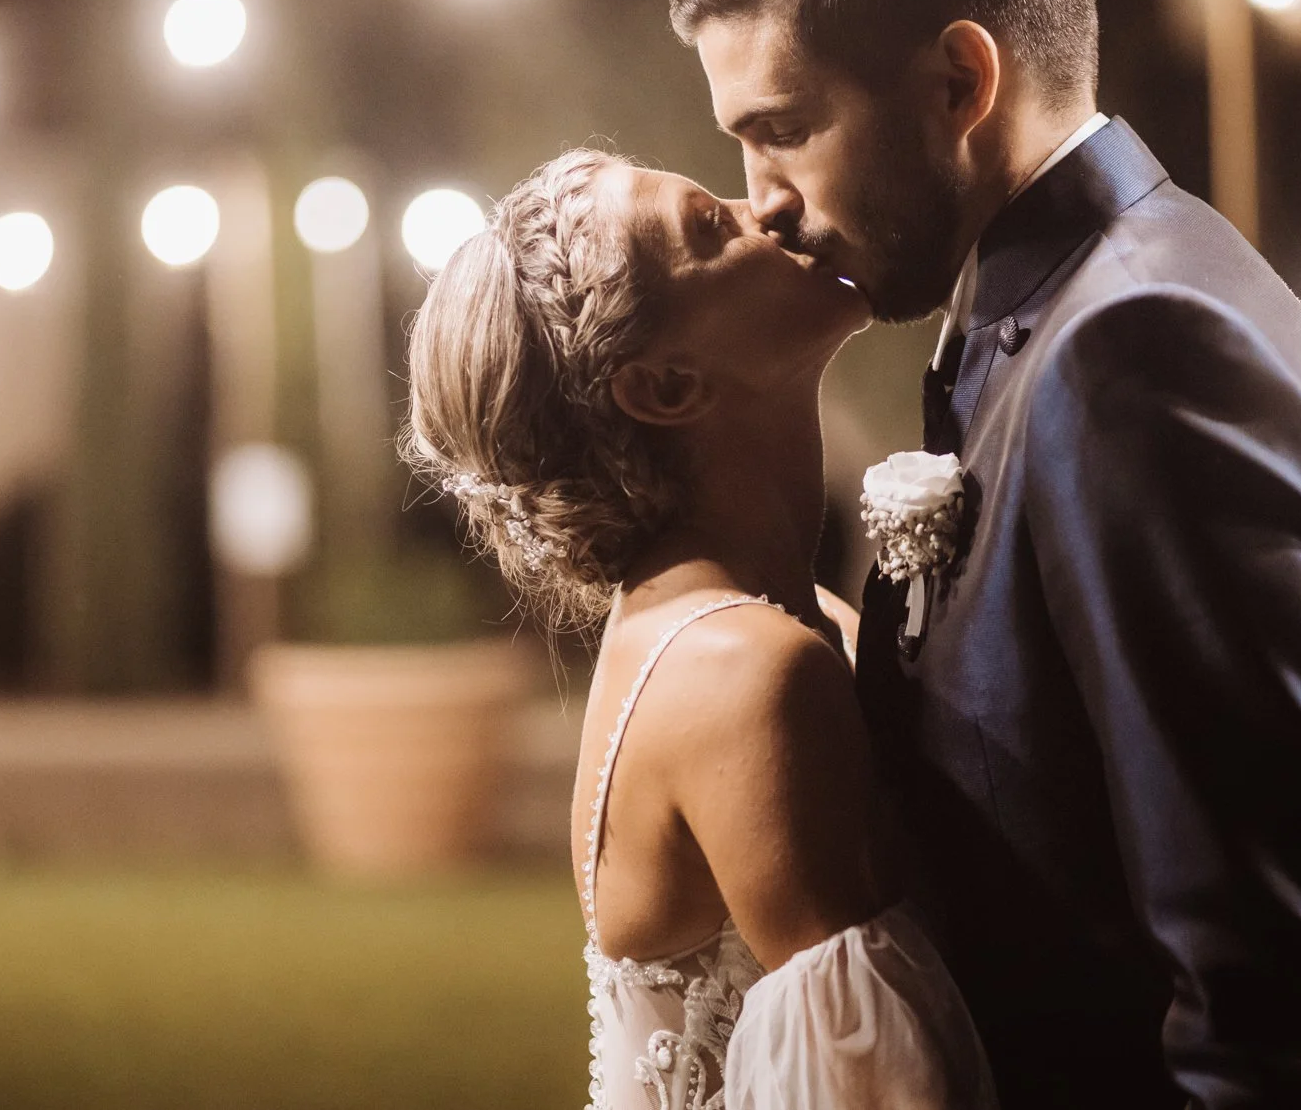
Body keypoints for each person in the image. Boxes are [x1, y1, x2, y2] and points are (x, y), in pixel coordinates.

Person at [671, 0, 1301, 1110]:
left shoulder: (1142, 355)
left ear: (959, 83)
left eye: (783, 125)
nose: (760, 192)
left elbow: (1280, 1018)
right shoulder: (1035, 319)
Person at [404, 150, 997, 1109]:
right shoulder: (741, 675)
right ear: (670, 385)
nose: (765, 207)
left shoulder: (767, 628)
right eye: (710, 227)